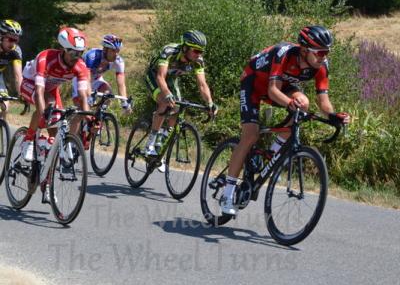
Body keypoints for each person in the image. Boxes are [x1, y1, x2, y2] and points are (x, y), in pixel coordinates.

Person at [220, 25, 350, 216]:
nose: (324, 56)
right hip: (253, 84)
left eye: (327, 52)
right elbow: (273, 90)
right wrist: (290, 102)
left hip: (283, 87)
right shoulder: (284, 53)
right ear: (305, 50)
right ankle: (227, 194)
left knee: (303, 104)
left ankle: (270, 154)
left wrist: (333, 116)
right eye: (321, 52)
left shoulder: (321, 65)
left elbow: (323, 100)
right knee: (250, 135)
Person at [20, 27, 90, 163]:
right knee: (47, 105)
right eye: (73, 53)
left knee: (56, 126)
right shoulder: (46, 58)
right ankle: (28, 140)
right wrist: (43, 114)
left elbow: (83, 96)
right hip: (30, 83)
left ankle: (43, 170)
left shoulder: (80, 66)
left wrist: (88, 115)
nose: (76, 58)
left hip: (51, 90)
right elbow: (40, 91)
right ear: (64, 50)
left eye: (80, 53)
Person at [144, 29, 217, 157]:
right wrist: (166, 94)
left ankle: (162, 140)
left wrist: (210, 102)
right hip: (154, 76)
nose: (199, 54)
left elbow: (202, 84)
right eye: (196, 51)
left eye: (201, 51)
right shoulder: (169, 51)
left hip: (171, 79)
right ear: (185, 48)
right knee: (165, 102)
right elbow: (160, 77)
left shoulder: (199, 61)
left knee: (178, 107)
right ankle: (150, 142)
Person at [72, 34, 131, 113]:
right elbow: (86, 79)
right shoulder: (92, 56)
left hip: (96, 80)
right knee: (83, 111)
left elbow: (121, 84)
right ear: (105, 50)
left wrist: (124, 102)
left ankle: (98, 118)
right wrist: (88, 96)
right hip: (81, 81)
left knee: (108, 95)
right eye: (113, 51)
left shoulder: (118, 61)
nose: (116, 54)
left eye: (117, 51)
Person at [0, 19, 23, 119]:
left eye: (16, 40)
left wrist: (22, 94)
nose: (13, 43)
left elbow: (18, 75)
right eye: (10, 39)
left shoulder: (15, 51)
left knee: (5, 105)